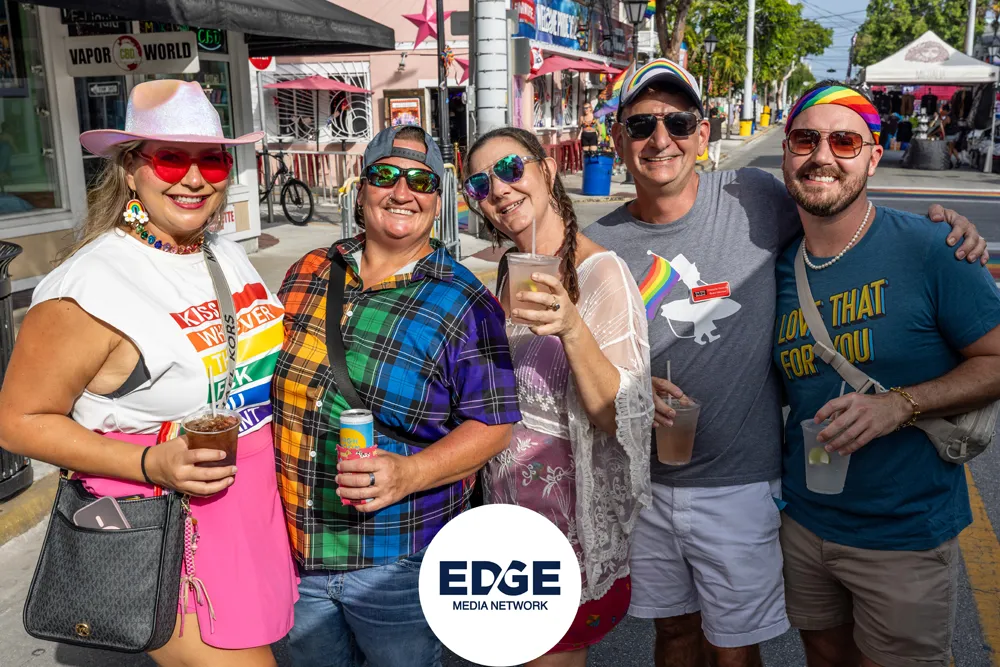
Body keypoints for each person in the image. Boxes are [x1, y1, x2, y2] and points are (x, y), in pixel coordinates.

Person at [582, 61, 988, 667]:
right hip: (695, 492)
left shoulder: (756, 197)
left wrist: (942, 226)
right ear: (618, 139)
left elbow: (839, 202)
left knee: (738, 648)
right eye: (641, 125)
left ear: (702, 133)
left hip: (777, 494)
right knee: (697, 636)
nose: (660, 138)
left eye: (678, 122)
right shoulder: (604, 245)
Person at [0, 79, 298, 666]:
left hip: (248, 508)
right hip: (162, 519)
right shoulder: (90, 287)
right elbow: (17, 421)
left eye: (212, 160)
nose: (195, 179)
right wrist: (148, 463)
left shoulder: (219, 249)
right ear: (131, 170)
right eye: (171, 159)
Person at [273, 124, 521, 667]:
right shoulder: (310, 271)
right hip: (296, 552)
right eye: (385, 176)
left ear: (438, 200)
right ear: (361, 188)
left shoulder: (464, 301)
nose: (402, 192)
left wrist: (408, 473)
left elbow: (495, 423)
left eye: (421, 181)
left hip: (398, 562)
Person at [775, 80, 1000, 667]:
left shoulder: (933, 247)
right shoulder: (776, 263)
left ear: (874, 157)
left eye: (845, 142)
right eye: (806, 139)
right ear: (786, 152)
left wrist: (900, 404)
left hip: (905, 536)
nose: (823, 156)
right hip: (804, 522)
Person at [463, 127, 654, 666]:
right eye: (480, 183)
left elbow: (622, 417)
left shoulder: (602, 272)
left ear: (546, 171)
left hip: (565, 539)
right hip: (506, 530)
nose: (499, 189)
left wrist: (572, 328)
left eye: (510, 169)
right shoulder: (508, 268)